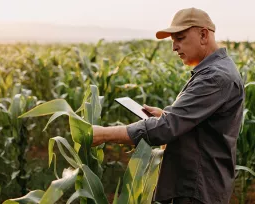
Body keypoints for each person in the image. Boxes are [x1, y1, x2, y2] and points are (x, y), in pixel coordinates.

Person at [93, 7, 244, 204]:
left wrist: (102, 134)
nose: (174, 47)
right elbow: (202, 124)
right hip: (198, 184)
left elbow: (166, 128)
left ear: (203, 35)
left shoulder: (215, 77)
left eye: (180, 38)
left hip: (197, 188)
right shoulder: (215, 70)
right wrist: (165, 115)